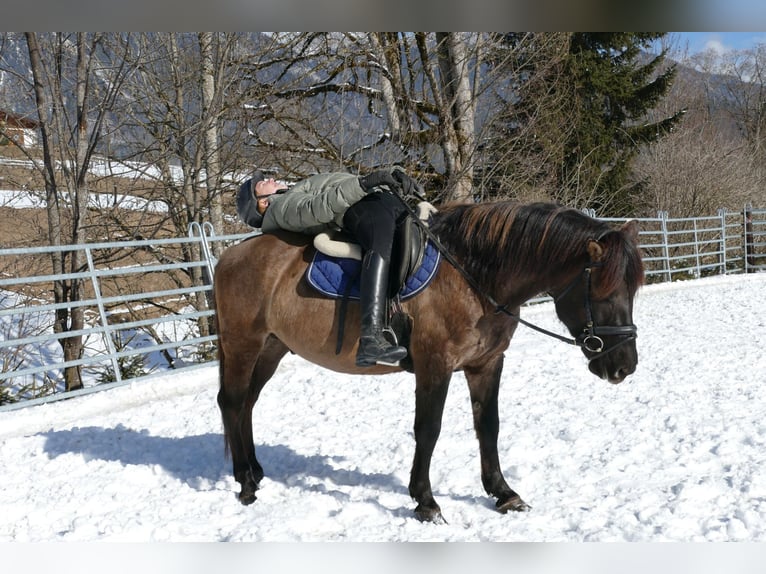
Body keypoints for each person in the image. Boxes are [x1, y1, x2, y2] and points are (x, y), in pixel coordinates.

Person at [236, 167, 421, 367]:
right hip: (361, 208)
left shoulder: (292, 193)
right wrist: (365, 183)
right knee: (381, 241)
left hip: (376, 199)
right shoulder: (281, 206)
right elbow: (318, 207)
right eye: (263, 183)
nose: (270, 178)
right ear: (263, 203)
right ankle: (371, 337)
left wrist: (391, 179)